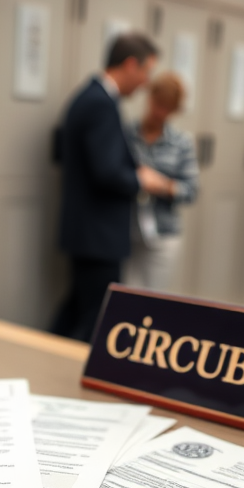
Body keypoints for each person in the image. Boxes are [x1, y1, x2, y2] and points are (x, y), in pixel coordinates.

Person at [50, 34, 172, 342]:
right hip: (97, 233)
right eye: (146, 72)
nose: (146, 82)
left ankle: (42, 367)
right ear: (131, 65)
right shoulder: (99, 103)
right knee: (96, 320)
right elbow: (105, 172)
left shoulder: (91, 97)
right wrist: (143, 180)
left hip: (88, 230)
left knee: (76, 311)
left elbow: (64, 152)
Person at [124, 72, 200, 292]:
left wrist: (163, 185)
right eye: (158, 104)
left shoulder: (181, 143)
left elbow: (191, 190)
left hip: (163, 233)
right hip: (128, 230)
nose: (160, 113)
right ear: (150, 99)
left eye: (167, 108)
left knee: (152, 300)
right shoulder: (127, 134)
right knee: (125, 300)